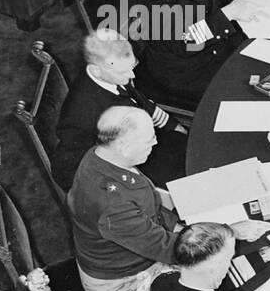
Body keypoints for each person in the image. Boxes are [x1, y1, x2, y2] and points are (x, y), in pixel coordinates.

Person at [67, 107, 269, 291]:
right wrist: (229, 232)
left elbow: (148, 208)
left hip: (138, 248)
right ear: (125, 146)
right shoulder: (112, 206)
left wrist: (183, 229)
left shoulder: (104, 155)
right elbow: (172, 251)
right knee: (224, 278)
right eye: (149, 140)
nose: (155, 143)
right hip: (125, 283)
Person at [52, 30, 188, 191]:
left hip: (148, 140)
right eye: (124, 72)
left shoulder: (114, 74)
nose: (132, 75)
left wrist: (173, 126)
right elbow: (66, 173)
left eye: (132, 67)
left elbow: (141, 102)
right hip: (130, 169)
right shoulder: (82, 112)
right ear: (96, 70)